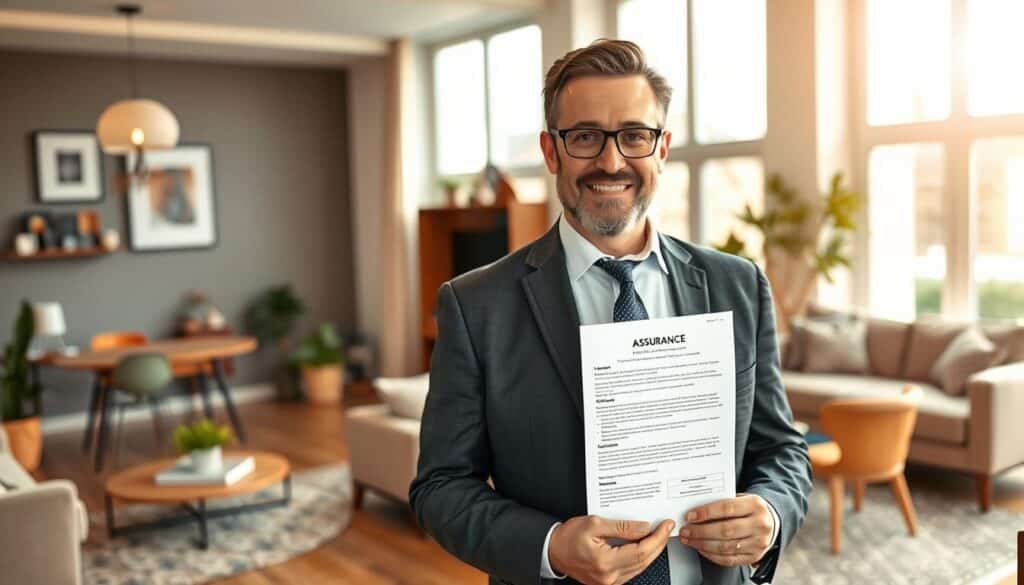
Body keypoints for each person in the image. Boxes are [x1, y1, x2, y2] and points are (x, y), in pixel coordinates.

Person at [410, 39, 812, 585]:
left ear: (662, 148)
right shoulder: (476, 305)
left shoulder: (737, 285)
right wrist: (550, 547)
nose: (611, 160)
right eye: (584, 137)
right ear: (552, 152)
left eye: (634, 135)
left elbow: (781, 448)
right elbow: (440, 487)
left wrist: (770, 513)